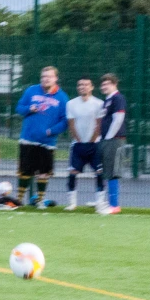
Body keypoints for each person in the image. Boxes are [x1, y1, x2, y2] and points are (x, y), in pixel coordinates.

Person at [14, 66, 68, 209]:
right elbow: (19, 108)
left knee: (43, 172)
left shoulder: (62, 97)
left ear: (55, 78)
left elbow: (65, 121)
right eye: (43, 76)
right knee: (24, 170)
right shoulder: (31, 90)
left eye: (49, 76)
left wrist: (51, 131)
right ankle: (19, 200)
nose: (46, 79)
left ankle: (39, 200)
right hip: (28, 138)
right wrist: (28, 109)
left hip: (47, 142)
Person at [64, 76, 109, 213]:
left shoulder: (99, 103)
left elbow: (99, 124)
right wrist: (78, 140)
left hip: (94, 145)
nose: (82, 87)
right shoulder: (71, 104)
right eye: (80, 84)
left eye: (85, 85)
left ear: (91, 87)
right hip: (78, 145)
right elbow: (71, 124)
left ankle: (100, 202)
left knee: (99, 173)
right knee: (73, 172)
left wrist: (91, 140)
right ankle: (72, 203)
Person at [98, 73, 127, 214]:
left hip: (115, 140)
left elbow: (118, 118)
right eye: (102, 84)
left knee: (113, 171)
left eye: (107, 84)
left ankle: (114, 205)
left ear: (114, 84)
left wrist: (109, 137)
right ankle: (108, 202)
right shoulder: (107, 100)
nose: (103, 86)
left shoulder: (118, 98)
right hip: (106, 140)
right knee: (107, 171)